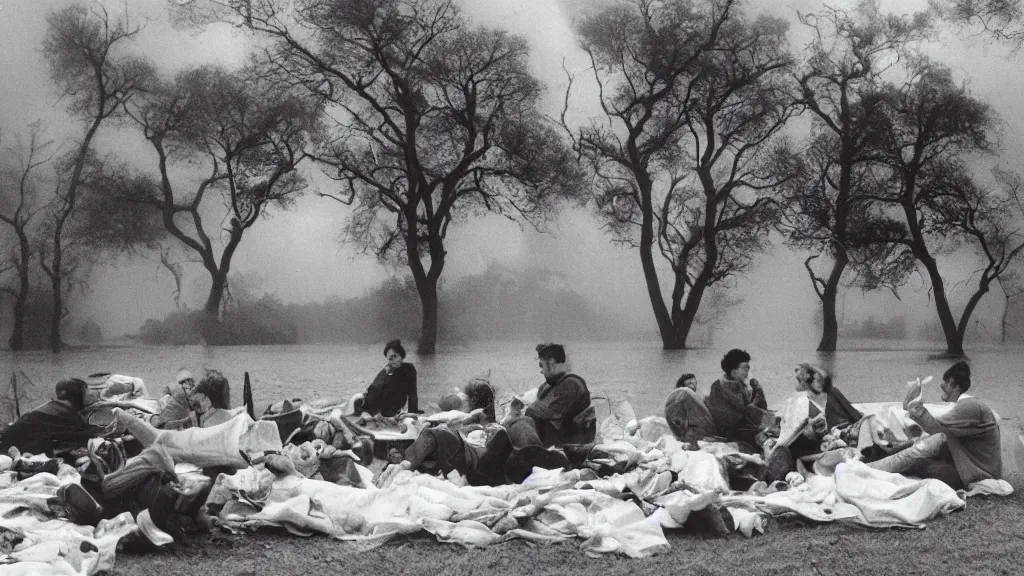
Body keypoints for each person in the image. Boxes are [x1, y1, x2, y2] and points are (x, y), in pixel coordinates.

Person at [866, 361, 1002, 489]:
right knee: (918, 445)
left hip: (978, 470)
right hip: (970, 460)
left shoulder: (970, 406)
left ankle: (869, 469)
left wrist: (915, 408)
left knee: (920, 463)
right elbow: (940, 430)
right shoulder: (969, 405)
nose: (942, 386)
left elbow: (936, 428)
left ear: (954, 385)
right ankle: (879, 459)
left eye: (945, 383)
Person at [763, 364, 862, 482]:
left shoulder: (820, 398)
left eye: (800, 379)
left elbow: (853, 416)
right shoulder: (804, 401)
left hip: (820, 442)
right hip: (816, 442)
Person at [0, 378, 108, 456]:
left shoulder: (50, 407)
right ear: (79, 396)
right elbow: (85, 433)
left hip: (8, 444)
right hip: (16, 451)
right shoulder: (65, 416)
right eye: (86, 393)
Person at [517, 343, 593, 448]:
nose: (541, 371)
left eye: (541, 365)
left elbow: (544, 413)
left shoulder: (571, 384)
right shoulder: (553, 384)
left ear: (551, 363)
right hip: (551, 443)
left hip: (565, 447)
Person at [704, 349, 775, 449]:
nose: (747, 372)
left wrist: (758, 391)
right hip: (732, 432)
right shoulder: (718, 387)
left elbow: (758, 407)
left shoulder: (740, 386)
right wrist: (752, 408)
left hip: (744, 427)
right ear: (733, 371)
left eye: (748, 368)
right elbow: (726, 419)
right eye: (744, 368)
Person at [353, 340, 420, 417]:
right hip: (377, 404)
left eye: (395, 356)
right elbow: (374, 387)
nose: (393, 361)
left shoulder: (409, 369)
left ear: (401, 356)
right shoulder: (388, 369)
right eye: (390, 359)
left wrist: (412, 413)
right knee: (357, 399)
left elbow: (412, 394)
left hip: (393, 406)